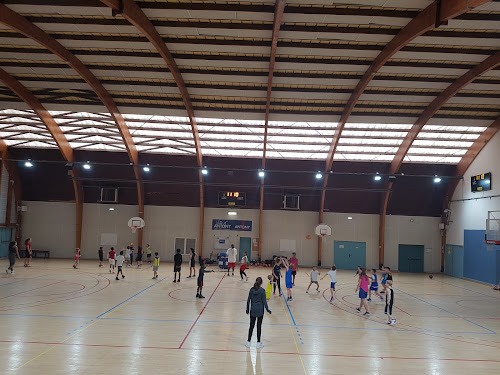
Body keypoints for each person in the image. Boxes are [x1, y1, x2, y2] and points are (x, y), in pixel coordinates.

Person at [245, 277, 271, 349]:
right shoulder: (262, 291)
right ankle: (258, 343)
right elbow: (264, 301)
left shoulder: (251, 290)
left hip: (253, 310)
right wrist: (267, 309)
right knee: (259, 326)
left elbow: (248, 300)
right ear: (261, 283)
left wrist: (247, 309)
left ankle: (248, 342)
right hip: (260, 311)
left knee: (251, 326)